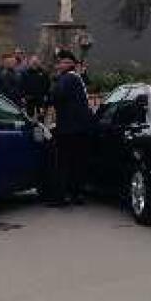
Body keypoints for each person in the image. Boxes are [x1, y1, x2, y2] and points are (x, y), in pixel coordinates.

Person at [49, 50, 94, 207]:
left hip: (68, 129)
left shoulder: (66, 79)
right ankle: (77, 194)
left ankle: (61, 197)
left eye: (61, 62)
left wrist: (53, 86)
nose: (59, 65)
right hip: (80, 128)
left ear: (68, 64)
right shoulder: (77, 78)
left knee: (63, 163)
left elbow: (56, 96)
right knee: (77, 162)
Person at [21, 55, 51, 120]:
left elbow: (48, 85)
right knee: (28, 116)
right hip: (29, 98)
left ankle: (41, 127)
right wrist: (23, 96)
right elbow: (22, 85)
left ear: (39, 62)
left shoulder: (44, 73)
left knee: (41, 115)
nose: (34, 63)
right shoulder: (25, 73)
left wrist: (47, 95)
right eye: (33, 62)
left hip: (41, 98)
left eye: (36, 61)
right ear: (30, 62)